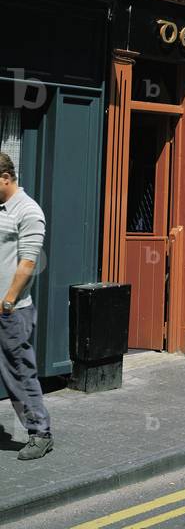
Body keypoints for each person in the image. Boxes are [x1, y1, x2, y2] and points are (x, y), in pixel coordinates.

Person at [0, 152, 53, 460]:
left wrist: (8, 301)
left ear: (6, 178)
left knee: (19, 373)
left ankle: (40, 433)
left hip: (11, 311)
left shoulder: (28, 211)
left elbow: (28, 262)